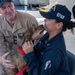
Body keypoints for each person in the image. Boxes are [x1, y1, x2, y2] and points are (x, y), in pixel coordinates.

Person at [22, 4, 75, 75]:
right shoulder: (48, 36)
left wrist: (29, 54)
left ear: (58, 25)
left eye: (49, 19)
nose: (45, 20)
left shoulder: (55, 51)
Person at [0, 0, 38, 74]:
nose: (8, 10)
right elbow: (1, 45)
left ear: (13, 5)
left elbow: (40, 40)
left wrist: (30, 54)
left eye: (9, 5)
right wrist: (2, 59)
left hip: (28, 55)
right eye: (4, 7)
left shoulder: (29, 20)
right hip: (10, 57)